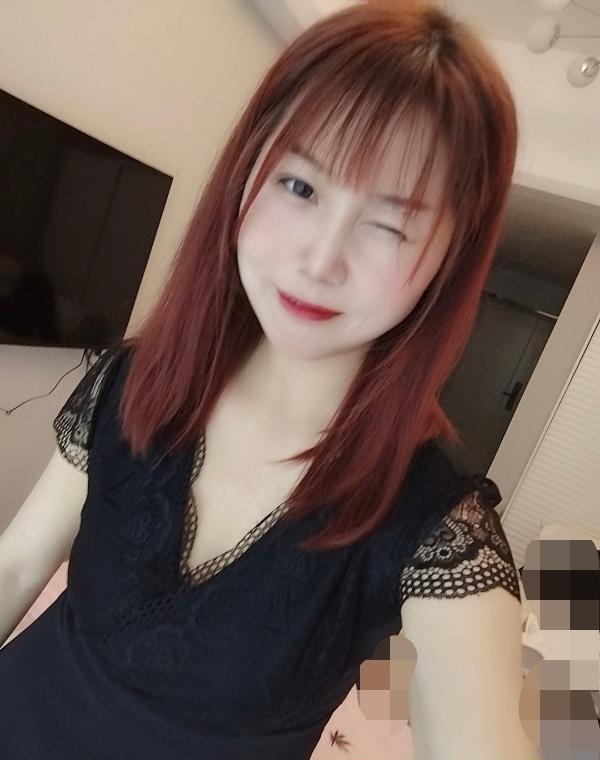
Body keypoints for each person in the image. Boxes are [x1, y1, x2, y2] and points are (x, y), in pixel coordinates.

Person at [0, 1, 542, 758]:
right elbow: (18, 564)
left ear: (449, 261)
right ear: (246, 174)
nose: (320, 260)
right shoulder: (131, 382)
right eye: (300, 188)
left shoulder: (433, 526)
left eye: (389, 224)